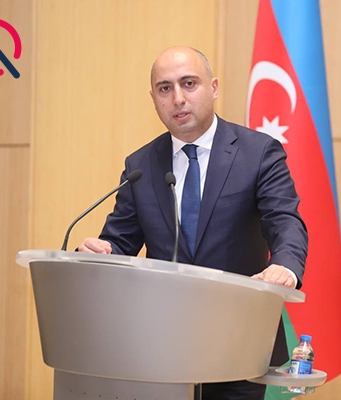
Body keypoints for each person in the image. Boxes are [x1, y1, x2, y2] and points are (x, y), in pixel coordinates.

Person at [78, 46, 308, 400]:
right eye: (165, 88)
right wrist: (102, 251)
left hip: (240, 344)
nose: (178, 99)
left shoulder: (258, 152)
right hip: (160, 346)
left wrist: (285, 266)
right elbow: (120, 242)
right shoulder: (140, 165)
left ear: (213, 88)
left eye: (189, 83)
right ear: (153, 98)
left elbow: (285, 221)